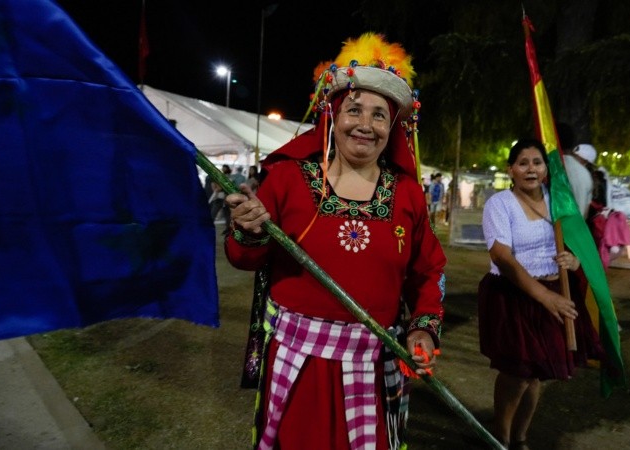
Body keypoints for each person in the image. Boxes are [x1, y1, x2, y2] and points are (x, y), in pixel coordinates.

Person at [224, 32, 446, 450]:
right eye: (354, 110)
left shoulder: (409, 195)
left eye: (379, 115)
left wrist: (424, 328)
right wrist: (248, 229)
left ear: (393, 127)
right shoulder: (287, 179)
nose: (365, 125)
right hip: (298, 363)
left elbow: (429, 269)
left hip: (373, 364)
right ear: (332, 117)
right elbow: (241, 256)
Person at [477, 139, 606, 449]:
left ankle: (520, 438)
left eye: (537, 162)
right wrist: (544, 298)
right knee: (518, 374)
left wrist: (573, 259)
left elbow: (579, 243)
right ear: (511, 170)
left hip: (556, 290)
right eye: (523, 163)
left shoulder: (559, 202)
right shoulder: (500, 204)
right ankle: (500, 438)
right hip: (514, 296)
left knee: (537, 375)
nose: (530, 169)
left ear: (546, 169)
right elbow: (502, 257)